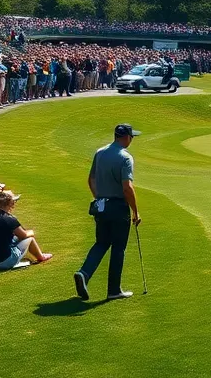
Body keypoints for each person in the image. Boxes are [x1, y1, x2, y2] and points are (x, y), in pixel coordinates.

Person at [74, 124, 141, 301]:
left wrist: (99, 198)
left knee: (101, 243)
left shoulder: (100, 152)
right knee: (118, 248)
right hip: (118, 207)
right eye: (131, 137)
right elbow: (127, 188)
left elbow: (91, 180)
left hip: (102, 206)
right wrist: (135, 211)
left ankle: (84, 273)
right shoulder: (125, 157)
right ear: (126, 137)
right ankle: (113, 290)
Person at [0, 189, 51, 270]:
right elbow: (23, 235)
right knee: (30, 238)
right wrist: (31, 232)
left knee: (13, 238)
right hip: (2, 263)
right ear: (10, 203)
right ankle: (41, 257)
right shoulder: (9, 219)